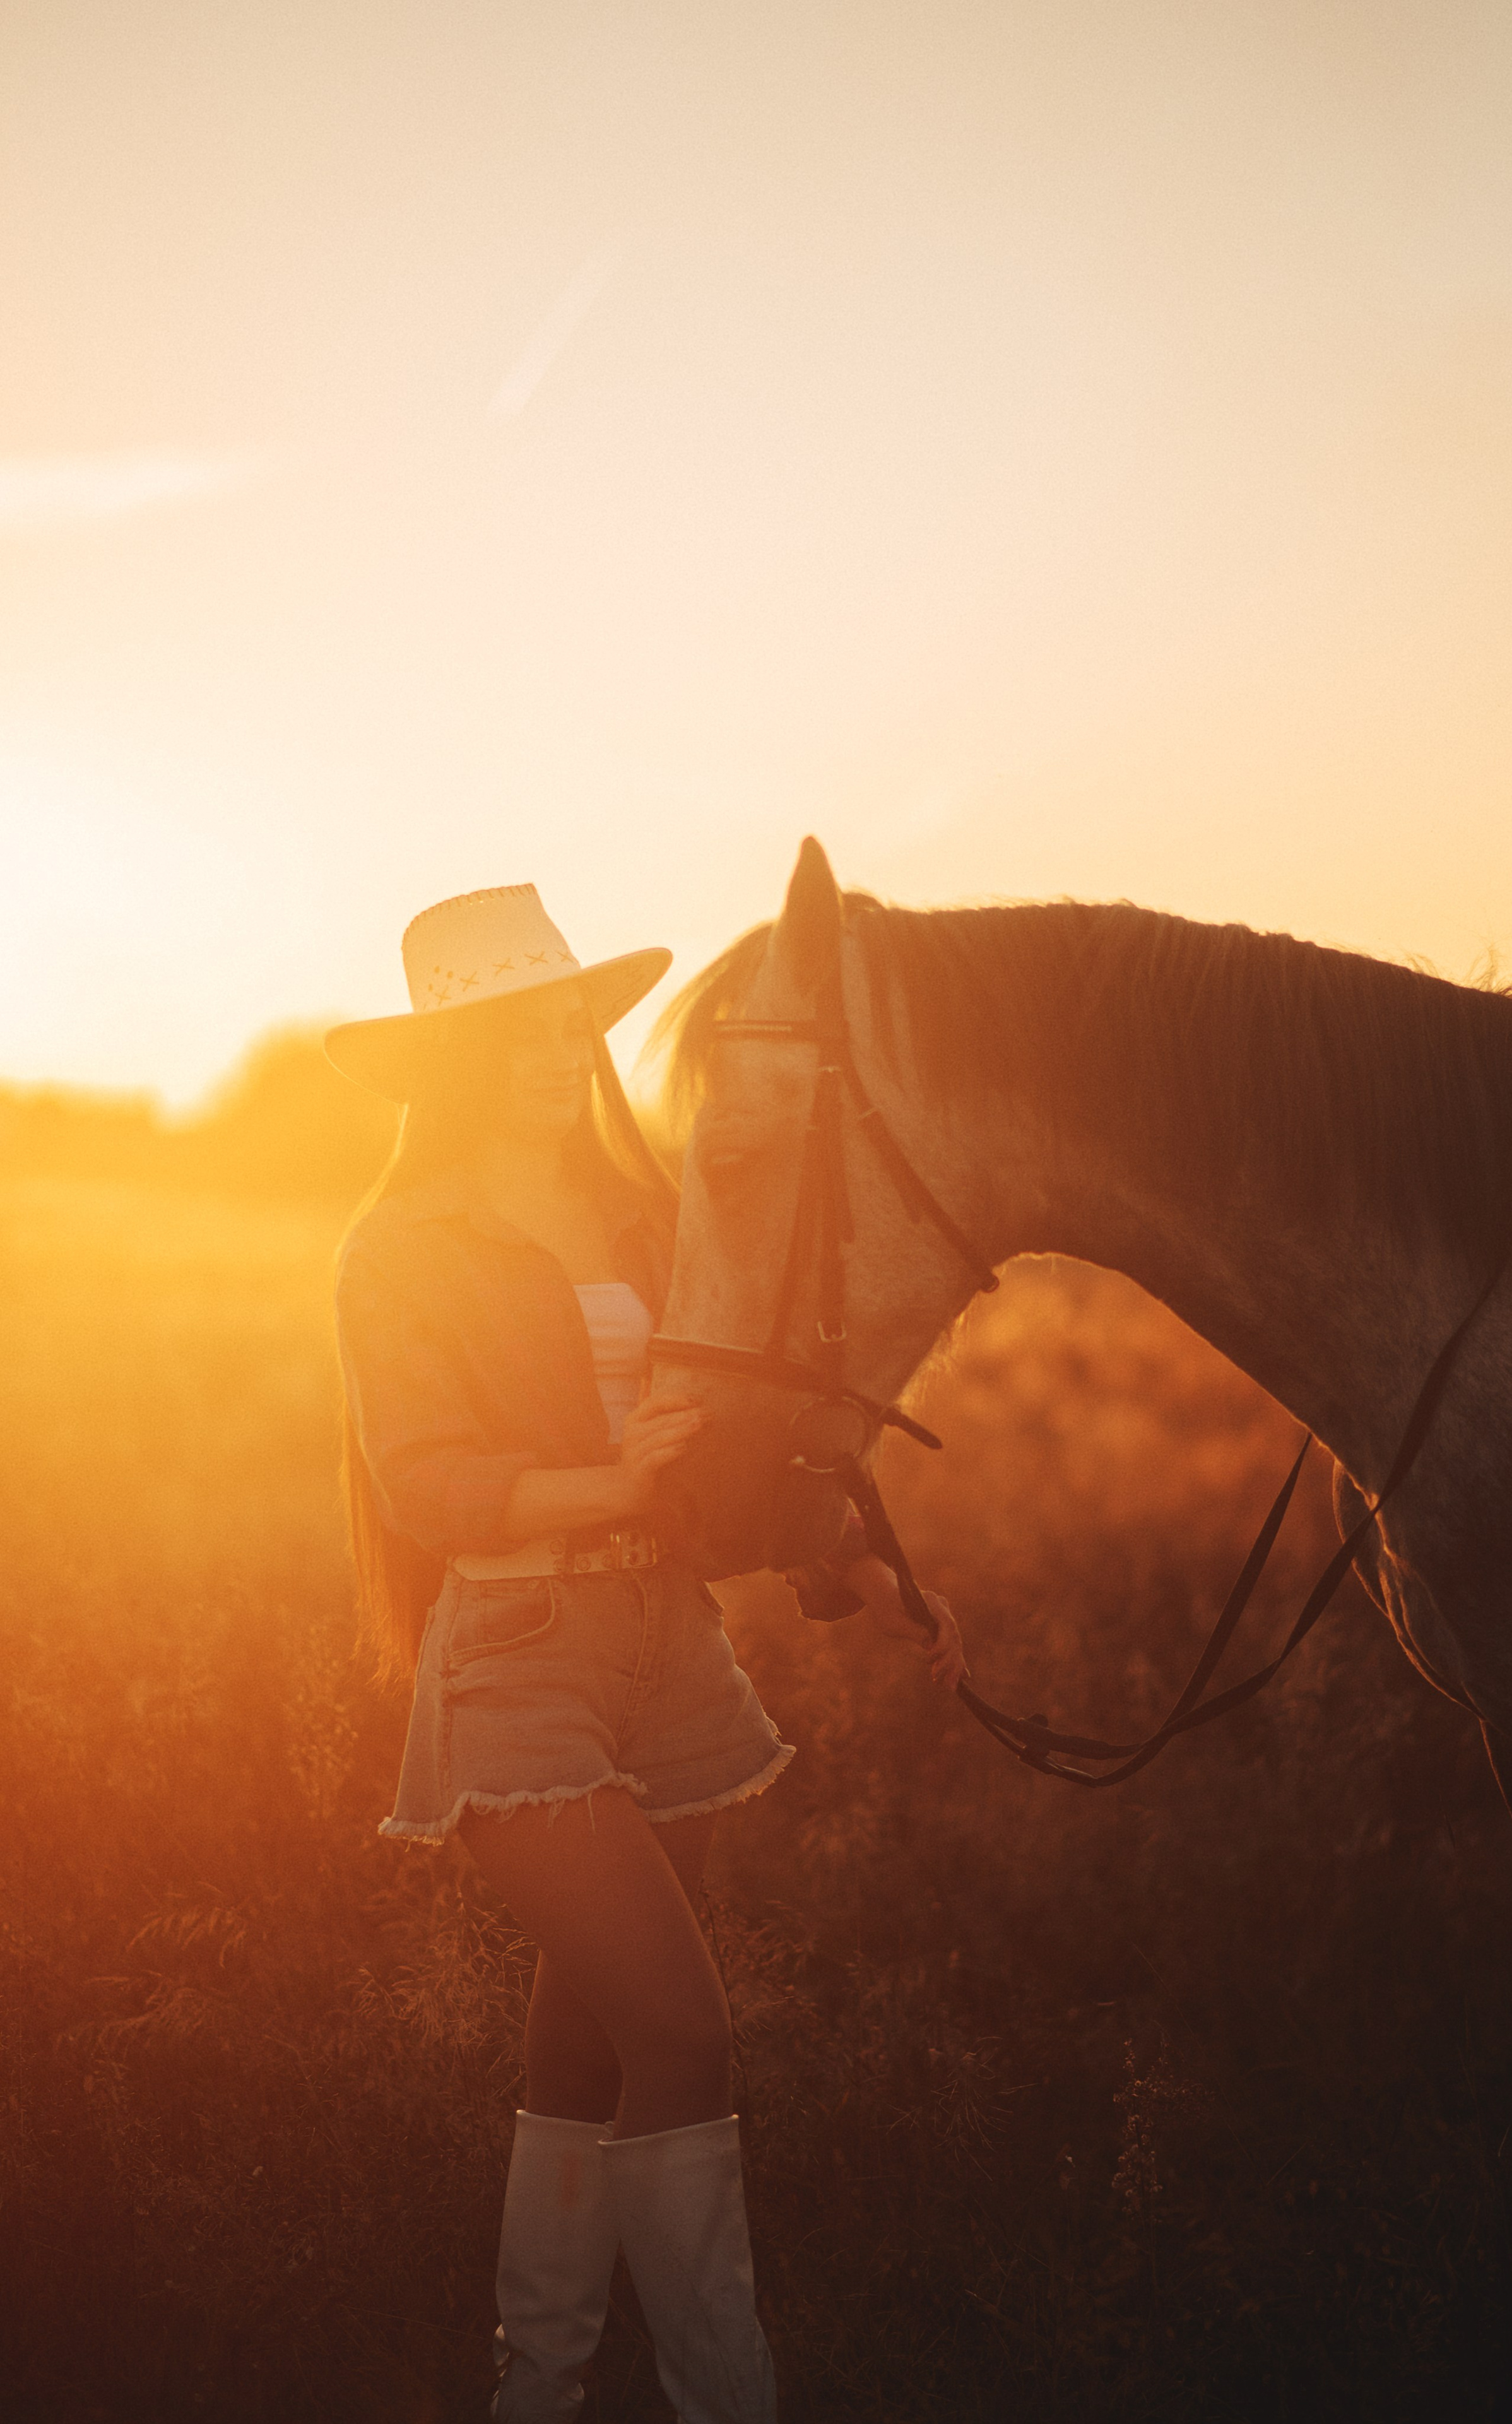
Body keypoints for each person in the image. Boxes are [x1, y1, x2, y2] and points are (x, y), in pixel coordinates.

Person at [326, 883, 965, 2424]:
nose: (558, 1045)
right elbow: (425, 1479)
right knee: (682, 2031)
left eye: (568, 1016)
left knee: (596, 2053)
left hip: (663, 1650)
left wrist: (842, 1554)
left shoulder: (645, 1214)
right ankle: (723, 2399)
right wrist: (615, 1481)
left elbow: (724, 1455)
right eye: (515, 1027)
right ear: (446, 1062)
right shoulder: (400, 1245)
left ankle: (532, 2391)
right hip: (518, 1648)